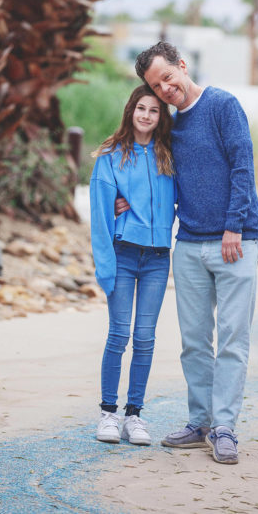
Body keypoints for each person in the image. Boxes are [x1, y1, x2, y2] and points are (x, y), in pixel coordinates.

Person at [123, 41, 258, 465]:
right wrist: (125, 199)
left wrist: (234, 226)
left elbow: (243, 165)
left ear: (183, 66)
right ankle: (199, 423)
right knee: (195, 343)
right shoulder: (168, 125)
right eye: (155, 84)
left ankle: (224, 429)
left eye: (168, 77)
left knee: (233, 340)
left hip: (235, 241)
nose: (165, 89)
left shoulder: (223, 104)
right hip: (187, 244)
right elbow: (154, 171)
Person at [89, 84, 176, 446]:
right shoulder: (111, 155)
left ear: (160, 117)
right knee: (120, 334)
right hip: (123, 255)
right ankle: (108, 413)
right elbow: (99, 216)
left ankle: (134, 416)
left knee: (145, 339)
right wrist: (105, 267)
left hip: (157, 258)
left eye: (154, 111)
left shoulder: (168, 155)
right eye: (141, 108)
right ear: (131, 110)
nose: (146, 115)